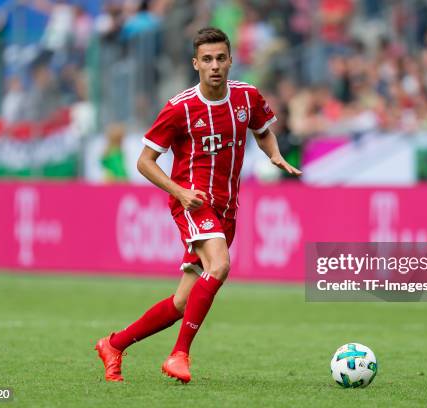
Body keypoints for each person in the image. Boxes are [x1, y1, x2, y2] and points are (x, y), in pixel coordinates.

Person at [95, 27, 301, 384]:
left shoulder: (247, 97)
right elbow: (145, 161)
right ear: (196, 64)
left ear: (231, 60)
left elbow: (263, 129)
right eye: (207, 59)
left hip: (227, 209)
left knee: (181, 303)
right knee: (219, 266)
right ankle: (179, 355)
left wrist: (274, 154)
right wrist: (179, 192)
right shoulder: (180, 108)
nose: (215, 66)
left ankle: (113, 345)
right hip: (192, 204)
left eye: (221, 58)